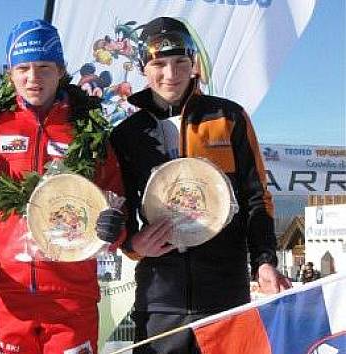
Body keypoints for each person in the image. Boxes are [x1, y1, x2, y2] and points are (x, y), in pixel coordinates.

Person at [110, 17, 291, 353]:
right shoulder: (127, 134)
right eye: (159, 64)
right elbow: (119, 206)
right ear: (142, 68)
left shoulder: (228, 117)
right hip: (160, 301)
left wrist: (264, 261)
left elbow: (256, 198)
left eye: (181, 62)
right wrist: (134, 245)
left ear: (194, 64)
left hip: (225, 296)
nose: (171, 74)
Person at [0, 19, 125, 354]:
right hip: (9, 296)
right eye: (23, 68)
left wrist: (114, 228)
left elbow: (115, 201)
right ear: (10, 73)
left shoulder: (87, 133)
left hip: (71, 298)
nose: (33, 78)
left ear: (61, 70)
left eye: (44, 67)